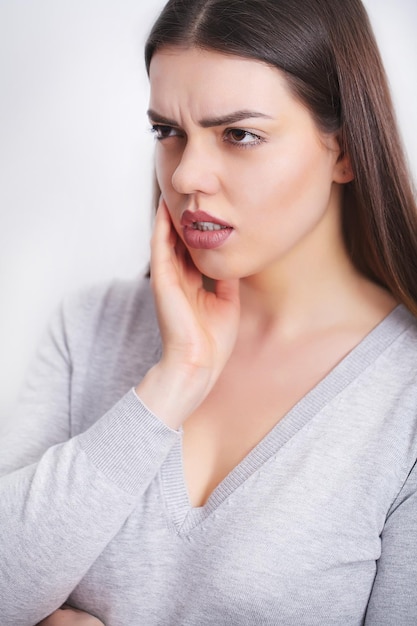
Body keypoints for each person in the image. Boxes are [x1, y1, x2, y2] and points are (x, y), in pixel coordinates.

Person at [1, 0, 417, 624]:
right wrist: (174, 381)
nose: (188, 175)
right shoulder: (88, 329)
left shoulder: (404, 400)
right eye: (167, 131)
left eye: (239, 134)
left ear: (346, 151)